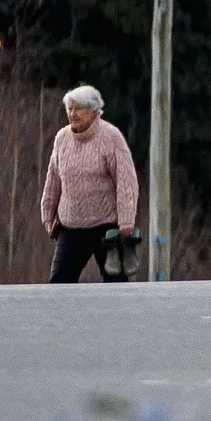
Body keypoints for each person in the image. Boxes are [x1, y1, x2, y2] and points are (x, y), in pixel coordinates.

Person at [41, 86, 141, 285]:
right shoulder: (62, 138)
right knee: (59, 282)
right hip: (70, 225)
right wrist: (47, 213)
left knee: (116, 283)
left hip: (106, 227)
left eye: (78, 109)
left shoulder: (111, 137)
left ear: (94, 111)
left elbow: (126, 180)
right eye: (70, 109)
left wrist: (126, 220)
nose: (73, 114)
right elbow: (53, 177)